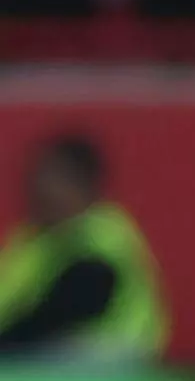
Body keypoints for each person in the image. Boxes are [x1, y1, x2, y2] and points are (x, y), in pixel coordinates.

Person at [0, 134, 169, 360]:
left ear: (86, 186)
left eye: (59, 180)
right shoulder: (31, 242)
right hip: (42, 360)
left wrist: (8, 341)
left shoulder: (104, 236)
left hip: (107, 361)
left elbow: (66, 308)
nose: (45, 189)